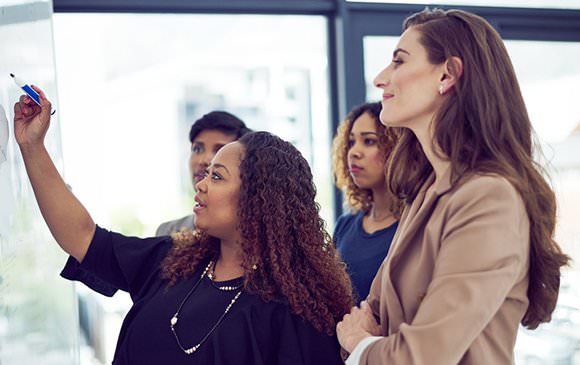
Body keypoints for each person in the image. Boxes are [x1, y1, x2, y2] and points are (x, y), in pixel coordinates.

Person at [14, 89, 353, 364]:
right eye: (204, 173)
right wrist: (32, 146)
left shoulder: (296, 311)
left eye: (217, 176)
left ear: (258, 197)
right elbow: (83, 236)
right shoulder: (173, 260)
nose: (201, 184)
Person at [336, 8, 570, 364]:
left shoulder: (489, 197)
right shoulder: (425, 193)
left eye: (399, 62)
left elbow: (422, 355)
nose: (382, 79)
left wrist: (364, 345)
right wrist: (365, 341)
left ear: (447, 75)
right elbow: (366, 320)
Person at [332, 101, 402, 303]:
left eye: (369, 141)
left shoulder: (414, 225)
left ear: (396, 147)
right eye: (351, 142)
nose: (354, 152)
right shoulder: (345, 226)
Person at [156, 111, 251, 236]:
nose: (203, 160)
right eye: (197, 149)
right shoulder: (169, 232)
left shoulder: (261, 237)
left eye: (219, 150)